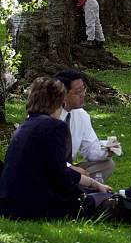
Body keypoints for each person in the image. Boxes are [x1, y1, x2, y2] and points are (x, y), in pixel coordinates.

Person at [0, 77, 112, 220]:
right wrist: (83, 193)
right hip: (34, 206)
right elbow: (59, 174)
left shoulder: (25, 126)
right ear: (59, 101)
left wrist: (93, 184)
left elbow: (55, 169)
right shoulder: (55, 127)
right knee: (98, 200)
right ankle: (125, 199)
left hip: (9, 203)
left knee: (94, 193)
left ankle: (122, 195)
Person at [55, 70, 117, 182]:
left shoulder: (81, 115)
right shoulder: (48, 116)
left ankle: (82, 189)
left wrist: (107, 149)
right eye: (78, 92)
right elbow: (45, 158)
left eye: (83, 89)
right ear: (64, 94)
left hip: (68, 168)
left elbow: (90, 148)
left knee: (107, 164)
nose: (83, 95)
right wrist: (70, 168)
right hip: (49, 169)